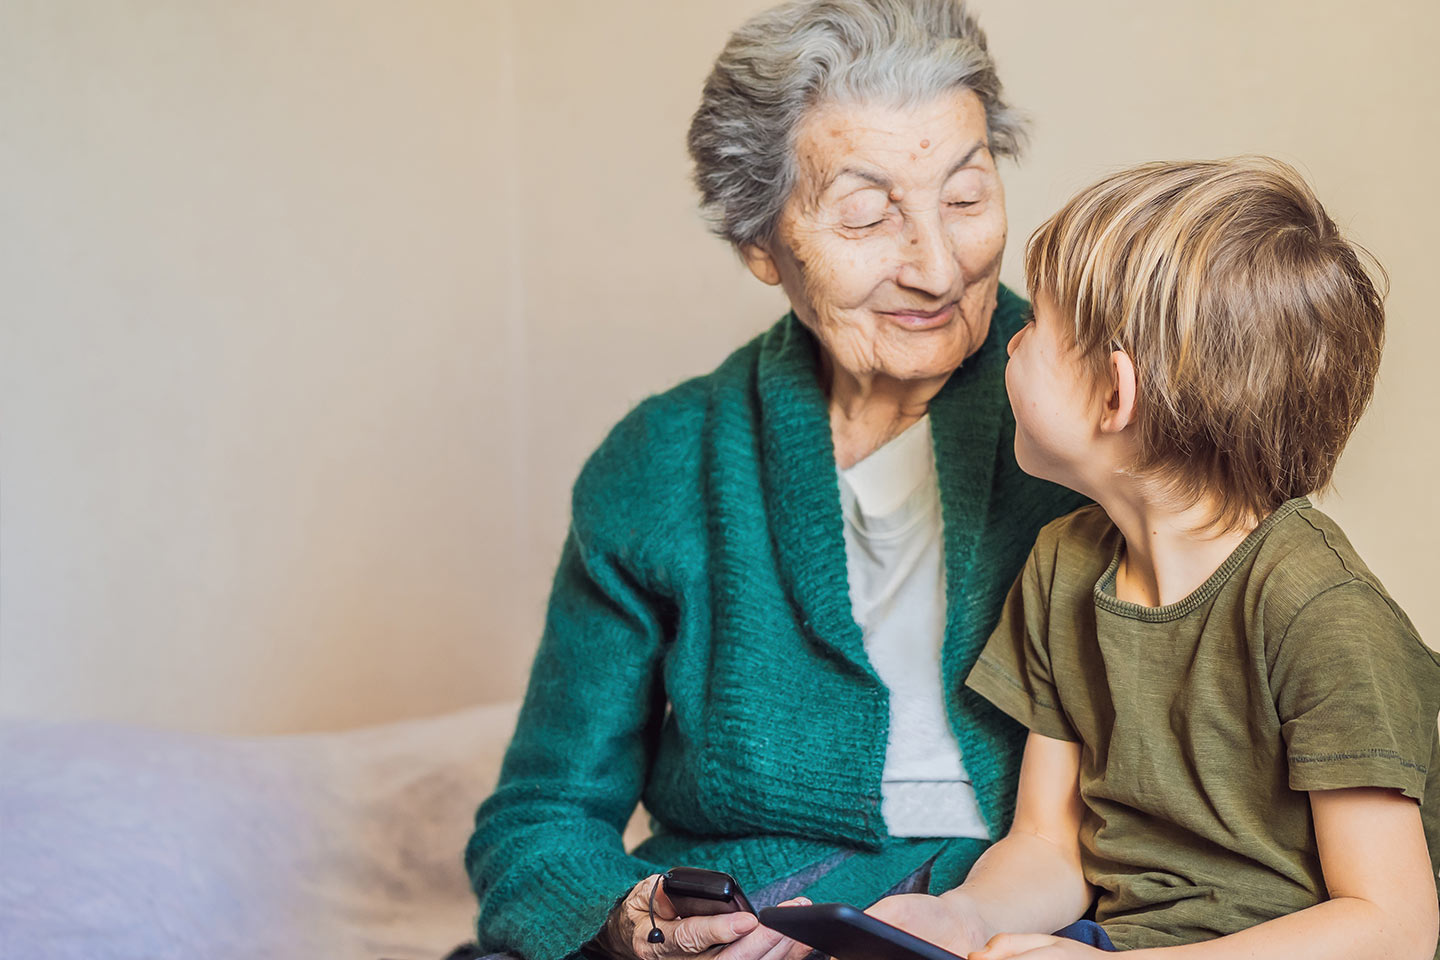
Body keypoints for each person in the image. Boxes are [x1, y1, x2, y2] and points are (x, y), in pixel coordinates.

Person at [460, 2, 1088, 959]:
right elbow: (541, 816)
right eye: (867, 215)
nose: (938, 265)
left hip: (1025, 910)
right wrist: (644, 924)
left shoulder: (1107, 413)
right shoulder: (663, 460)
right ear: (761, 244)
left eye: (966, 198)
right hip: (751, 911)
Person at [861, 157, 1440, 958]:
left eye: (1037, 326)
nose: (1010, 342)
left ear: (1113, 395)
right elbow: (1049, 846)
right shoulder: (1063, 566)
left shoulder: (1324, 614)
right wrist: (963, 918)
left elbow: (1396, 928)